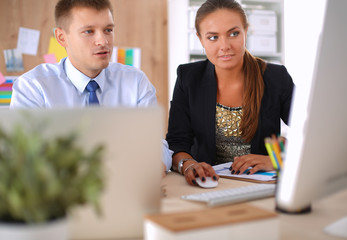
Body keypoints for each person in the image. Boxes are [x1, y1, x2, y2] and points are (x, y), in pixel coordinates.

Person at [10, 0, 172, 172]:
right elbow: (25, 158)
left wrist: (154, 165)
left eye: (108, 30)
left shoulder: (135, 82)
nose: (102, 41)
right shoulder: (33, 87)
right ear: (61, 37)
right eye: (88, 31)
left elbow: (155, 144)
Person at [166, 0, 294, 186]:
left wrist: (277, 158)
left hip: (261, 187)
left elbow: (313, 133)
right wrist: (189, 165)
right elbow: (177, 142)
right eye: (213, 37)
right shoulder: (188, 77)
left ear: (246, 32)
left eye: (233, 34)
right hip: (208, 185)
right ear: (200, 39)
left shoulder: (275, 77)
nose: (224, 46)